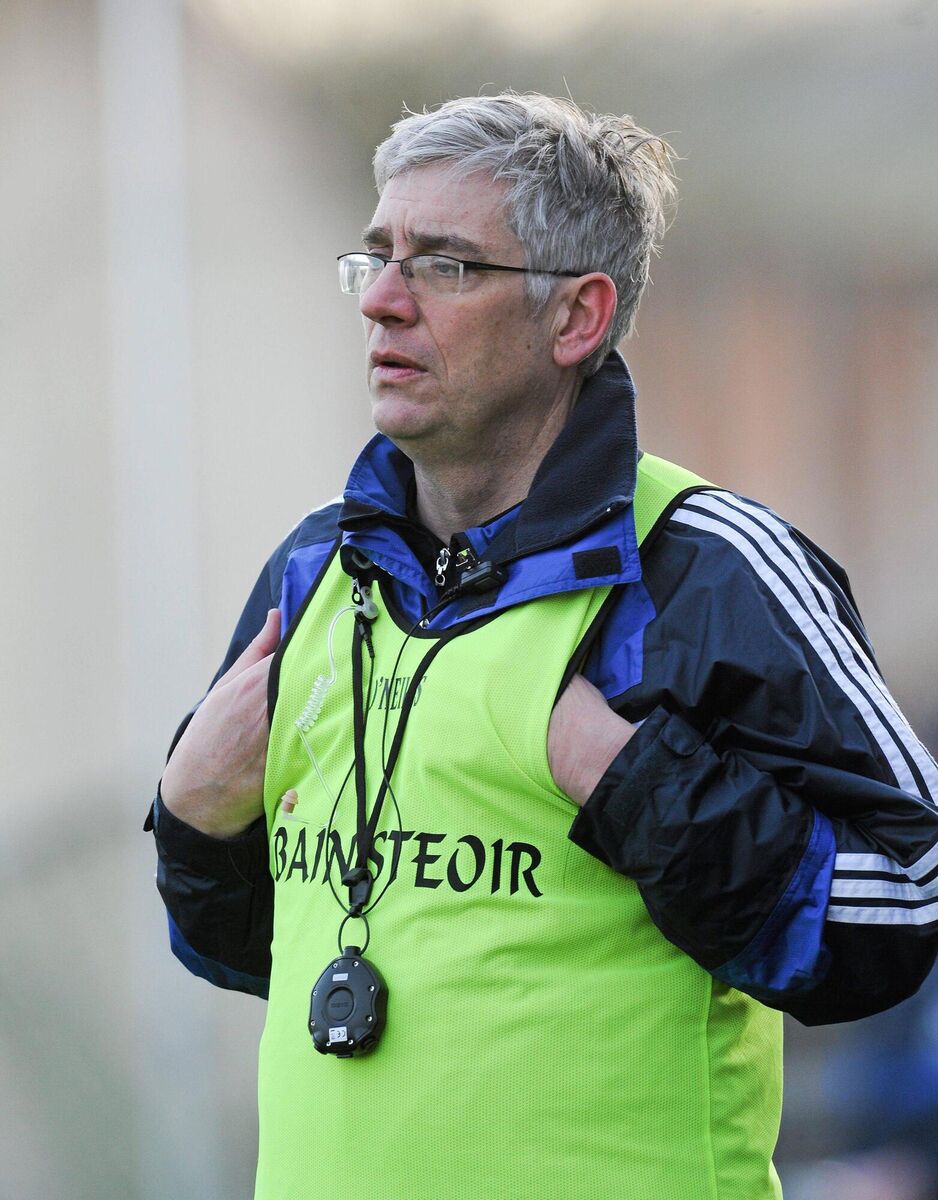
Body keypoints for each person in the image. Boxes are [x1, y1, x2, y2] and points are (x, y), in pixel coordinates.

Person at [146, 93, 938, 1200]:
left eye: (445, 267)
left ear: (574, 317)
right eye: (376, 256)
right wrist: (193, 817)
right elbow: (253, 953)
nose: (380, 301)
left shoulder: (705, 566)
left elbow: (905, 906)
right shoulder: (315, 571)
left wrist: (628, 785)